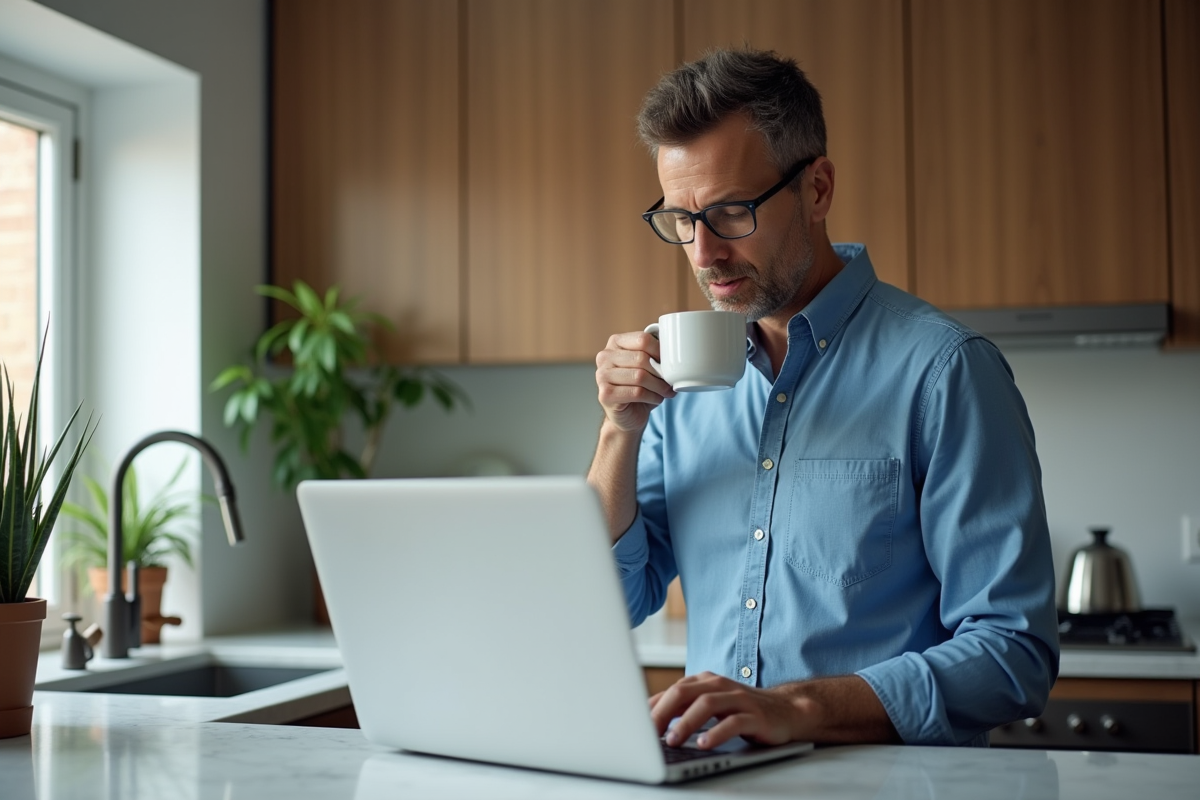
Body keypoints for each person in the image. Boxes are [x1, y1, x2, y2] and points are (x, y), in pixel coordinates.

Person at [586, 47, 1059, 750]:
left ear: (816, 190)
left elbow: (1013, 653)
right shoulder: (680, 385)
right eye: (681, 219)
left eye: (731, 213)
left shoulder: (946, 372)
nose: (703, 252)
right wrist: (619, 430)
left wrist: (803, 707)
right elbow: (610, 600)